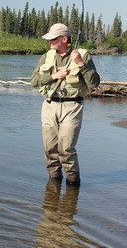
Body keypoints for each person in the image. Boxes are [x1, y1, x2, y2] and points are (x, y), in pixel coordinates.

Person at [30, 23, 100, 186]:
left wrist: (81, 64)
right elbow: (34, 81)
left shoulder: (82, 55)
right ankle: (53, 185)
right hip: (49, 105)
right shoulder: (46, 56)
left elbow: (95, 83)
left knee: (66, 150)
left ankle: (73, 186)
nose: (50, 42)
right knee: (50, 150)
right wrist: (54, 76)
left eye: (53, 39)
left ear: (64, 39)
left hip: (72, 107)